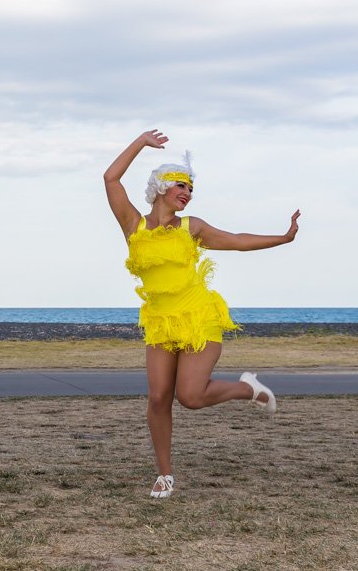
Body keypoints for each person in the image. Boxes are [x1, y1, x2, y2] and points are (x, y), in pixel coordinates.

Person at [103, 130, 299, 498]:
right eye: (182, 185)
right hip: (160, 323)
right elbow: (110, 179)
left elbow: (237, 240)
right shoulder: (135, 226)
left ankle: (247, 389)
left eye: (191, 189)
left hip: (199, 318)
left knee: (190, 397)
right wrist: (140, 143)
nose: (188, 193)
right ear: (161, 186)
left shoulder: (192, 228)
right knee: (158, 398)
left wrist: (282, 238)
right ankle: (165, 475)